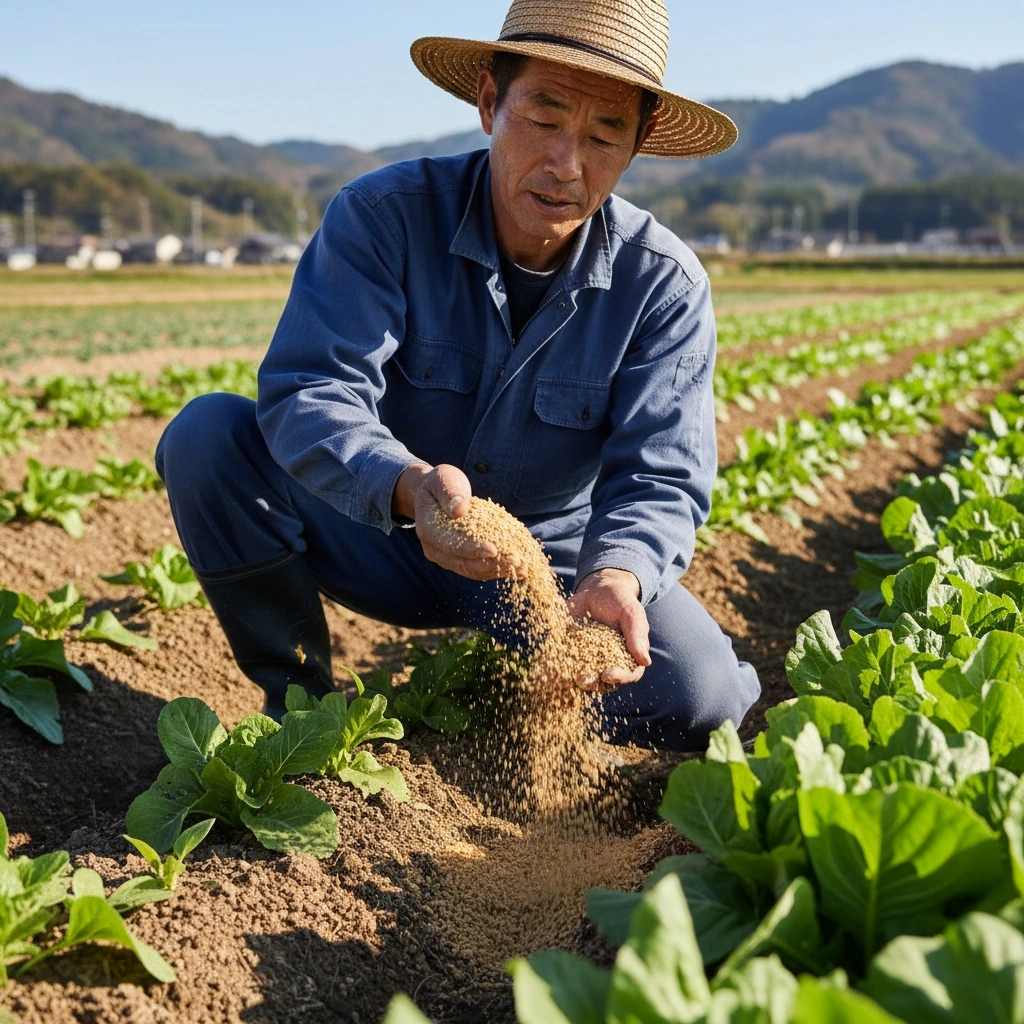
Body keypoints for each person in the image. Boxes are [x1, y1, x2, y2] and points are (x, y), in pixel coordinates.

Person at [156, 0, 760, 750]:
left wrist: (620, 575)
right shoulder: (384, 217)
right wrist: (408, 487)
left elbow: (661, 476)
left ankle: (523, 698)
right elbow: (315, 390)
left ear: (635, 149)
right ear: (488, 103)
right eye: (544, 118)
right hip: (381, 529)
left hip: (546, 577)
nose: (566, 164)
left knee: (702, 697)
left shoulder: (663, 284)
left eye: (604, 135)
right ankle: (301, 705)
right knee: (209, 437)